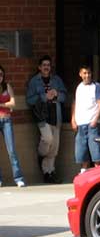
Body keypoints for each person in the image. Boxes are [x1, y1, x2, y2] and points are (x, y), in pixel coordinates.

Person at [26, 55, 67, 183]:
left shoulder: (56, 80)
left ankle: (49, 172)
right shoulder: (34, 81)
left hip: (56, 113)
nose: (46, 67)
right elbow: (29, 100)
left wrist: (57, 94)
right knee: (47, 138)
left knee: (54, 146)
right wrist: (44, 97)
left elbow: (64, 96)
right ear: (39, 67)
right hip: (42, 115)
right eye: (44, 65)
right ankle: (41, 155)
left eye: (48, 65)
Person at [71, 65, 100, 172]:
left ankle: (98, 172)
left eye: (89, 73)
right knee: (81, 151)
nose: (87, 75)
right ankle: (83, 171)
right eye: (84, 73)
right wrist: (73, 119)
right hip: (80, 123)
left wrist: (96, 119)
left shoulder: (96, 86)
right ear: (80, 74)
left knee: (96, 152)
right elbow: (75, 103)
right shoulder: (79, 87)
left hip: (92, 124)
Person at [0, 65, 26, 187]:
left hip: (6, 120)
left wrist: (1, 103)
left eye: (1, 74)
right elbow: (9, 104)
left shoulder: (7, 86)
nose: (0, 77)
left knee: (12, 151)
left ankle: (18, 178)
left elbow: (13, 103)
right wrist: (6, 104)